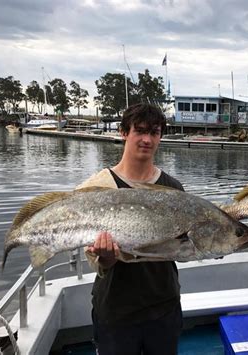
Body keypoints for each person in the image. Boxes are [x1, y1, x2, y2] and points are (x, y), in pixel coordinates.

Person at [76, 103, 183, 355]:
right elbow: (93, 258)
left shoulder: (173, 188)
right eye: (140, 131)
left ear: (160, 137)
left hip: (164, 306)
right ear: (124, 132)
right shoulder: (97, 187)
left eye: (154, 132)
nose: (147, 139)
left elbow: (181, 246)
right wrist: (106, 257)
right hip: (115, 311)